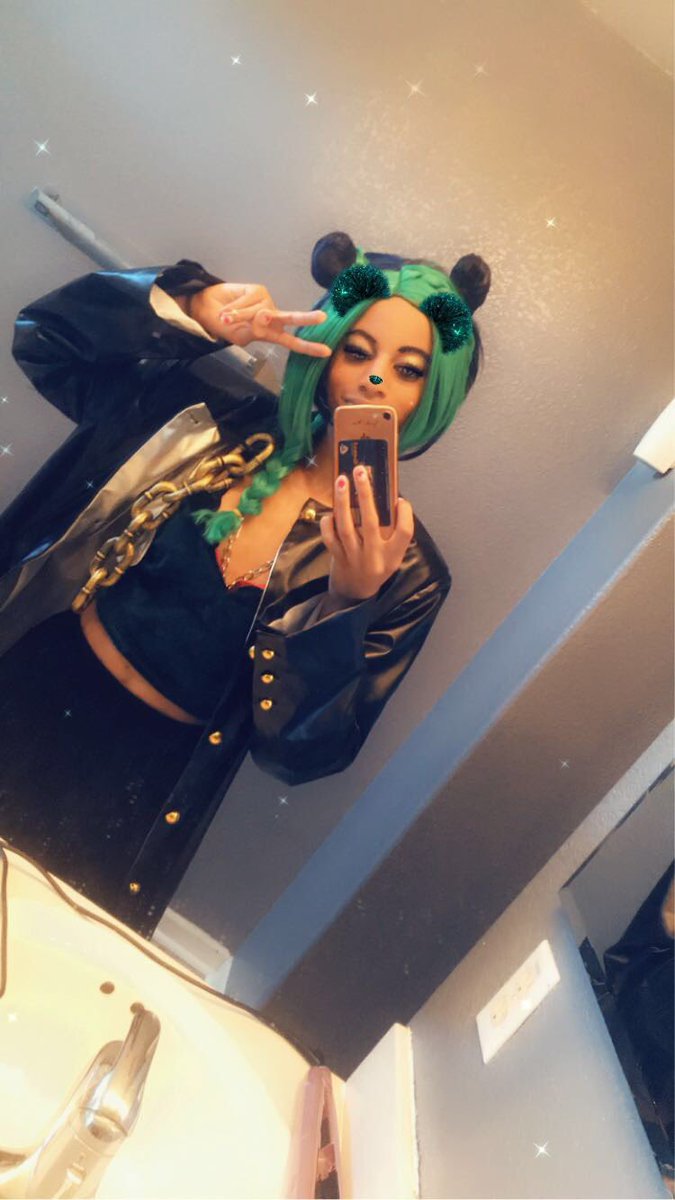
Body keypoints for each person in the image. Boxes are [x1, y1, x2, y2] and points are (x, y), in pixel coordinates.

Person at [0, 231, 491, 936]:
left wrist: (347, 604)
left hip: (140, 778)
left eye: (408, 368)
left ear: (433, 392)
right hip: (35, 679)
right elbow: (47, 342)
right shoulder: (207, 416)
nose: (376, 378)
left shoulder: (408, 572)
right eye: (358, 351)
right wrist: (194, 308)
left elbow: (298, 755)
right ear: (325, 351)